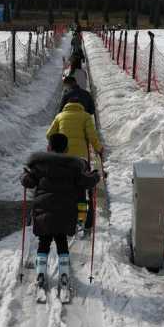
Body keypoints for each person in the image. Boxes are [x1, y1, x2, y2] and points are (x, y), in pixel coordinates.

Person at [20, 133, 100, 287]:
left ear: (49, 147)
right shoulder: (73, 168)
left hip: (43, 211)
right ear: (67, 149)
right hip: (65, 212)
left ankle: (41, 273)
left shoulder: (39, 166)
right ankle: (64, 273)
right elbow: (87, 181)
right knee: (61, 241)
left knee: (44, 242)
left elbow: (28, 182)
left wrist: (24, 175)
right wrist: (95, 176)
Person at [47, 98, 103, 230]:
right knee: (80, 189)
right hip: (80, 159)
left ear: (67, 106)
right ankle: (81, 219)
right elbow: (92, 136)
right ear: (80, 106)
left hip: (62, 158)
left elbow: (49, 134)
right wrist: (98, 149)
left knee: (63, 186)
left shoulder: (60, 116)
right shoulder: (85, 116)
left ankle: (63, 215)